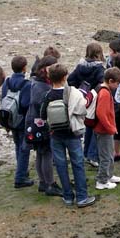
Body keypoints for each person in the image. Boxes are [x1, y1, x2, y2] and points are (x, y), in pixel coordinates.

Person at [40, 63, 93, 208]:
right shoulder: (73, 93)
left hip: (55, 135)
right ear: (65, 77)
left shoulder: (48, 95)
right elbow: (82, 110)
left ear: (50, 78)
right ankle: (82, 197)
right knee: (78, 164)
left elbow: (42, 115)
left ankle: (67, 196)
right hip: (72, 133)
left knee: (61, 165)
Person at [26, 56, 62, 196]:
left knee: (40, 153)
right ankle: (50, 184)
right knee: (46, 153)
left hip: (34, 123)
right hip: (40, 125)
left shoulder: (36, 83)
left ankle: (43, 182)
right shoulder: (41, 87)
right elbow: (42, 105)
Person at [68, 42, 106, 167]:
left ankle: (86, 153)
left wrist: (78, 90)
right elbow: (102, 82)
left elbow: (70, 80)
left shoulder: (80, 66)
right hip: (94, 99)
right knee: (96, 126)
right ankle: (93, 155)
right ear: (99, 53)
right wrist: (95, 92)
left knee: (88, 124)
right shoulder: (99, 68)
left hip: (82, 99)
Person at [0, 55, 33, 188]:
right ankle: (20, 178)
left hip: (10, 119)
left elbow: (3, 99)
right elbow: (25, 104)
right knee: (24, 149)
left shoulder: (6, 82)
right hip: (22, 120)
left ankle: (22, 171)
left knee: (18, 145)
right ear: (24, 68)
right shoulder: (27, 84)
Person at [94, 67, 120, 190]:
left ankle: (109, 175)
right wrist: (110, 127)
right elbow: (101, 113)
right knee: (105, 156)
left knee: (109, 154)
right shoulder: (105, 93)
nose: (118, 86)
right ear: (111, 81)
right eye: (117, 83)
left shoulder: (102, 89)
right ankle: (101, 181)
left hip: (106, 129)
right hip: (103, 130)